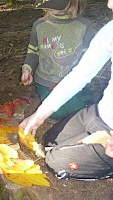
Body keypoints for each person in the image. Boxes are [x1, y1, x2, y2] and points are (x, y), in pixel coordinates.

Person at [20, 0, 113, 181]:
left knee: (56, 160)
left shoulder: (83, 25)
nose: (109, 4)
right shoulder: (110, 30)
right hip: (100, 112)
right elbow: (80, 74)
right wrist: (39, 115)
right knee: (49, 141)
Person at [21, 0, 95, 120]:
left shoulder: (84, 25)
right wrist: (27, 68)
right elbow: (33, 51)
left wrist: (68, 82)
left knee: (80, 111)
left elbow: (89, 59)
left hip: (73, 82)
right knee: (56, 113)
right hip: (46, 82)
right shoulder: (39, 25)